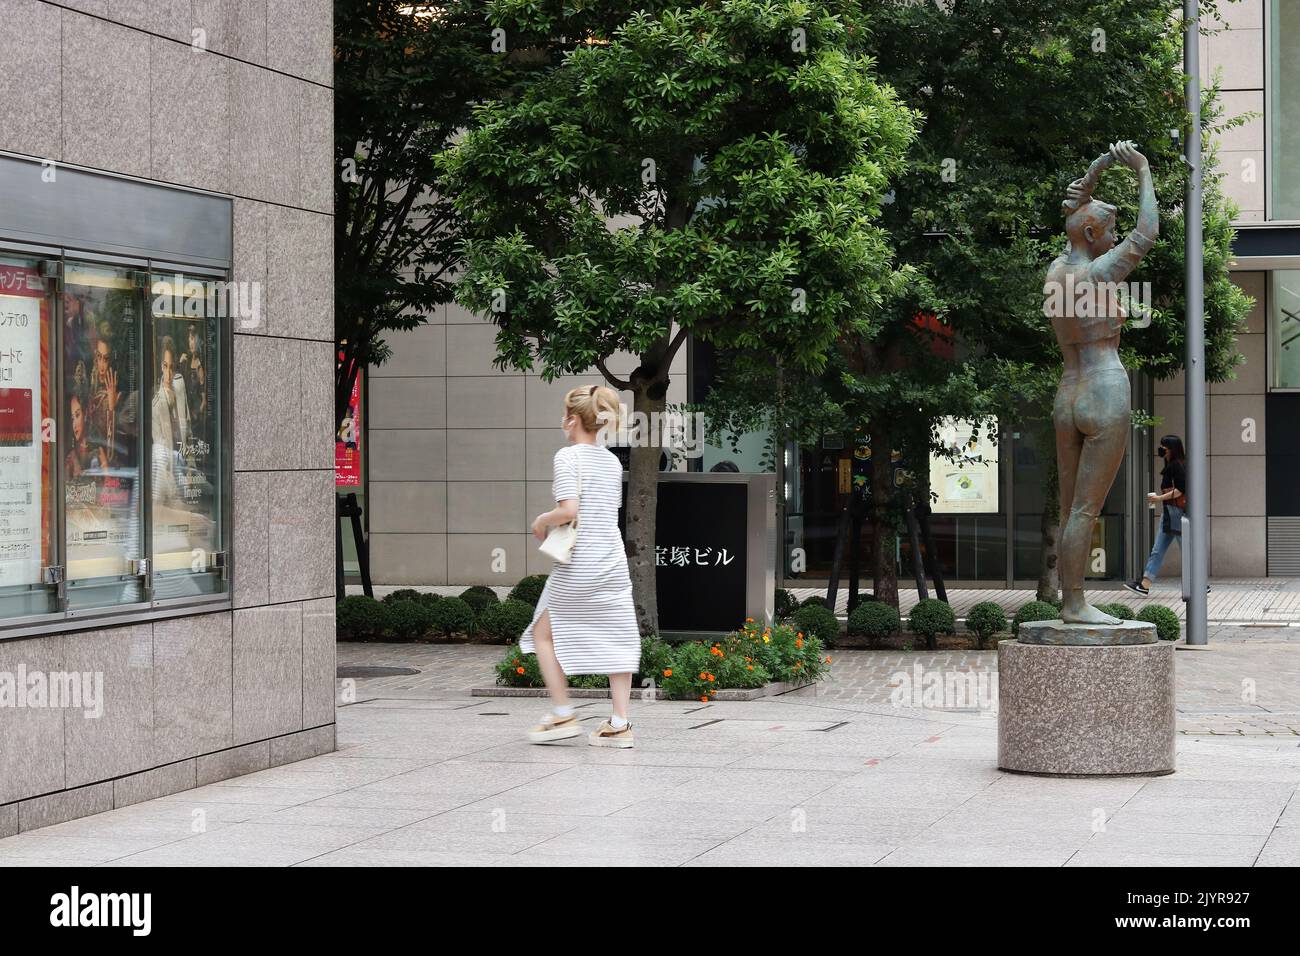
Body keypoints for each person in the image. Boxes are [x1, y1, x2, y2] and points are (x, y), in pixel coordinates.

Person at [1045, 140, 1158, 625]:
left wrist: (1096, 170)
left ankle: (1071, 602)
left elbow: (1075, 209)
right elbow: (1146, 234)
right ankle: (1075, 605)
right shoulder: (1096, 273)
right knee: (1085, 510)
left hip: (1067, 392)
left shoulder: (1055, 271)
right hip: (1104, 387)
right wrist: (1143, 171)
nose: (1114, 238)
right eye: (1107, 231)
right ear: (1092, 233)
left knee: (1071, 506)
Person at [521, 385, 640, 749]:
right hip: (612, 561)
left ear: (572, 420)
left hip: (581, 561)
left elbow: (570, 510)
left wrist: (542, 520)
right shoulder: (611, 460)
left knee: (543, 634)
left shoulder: (568, 456)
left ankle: (562, 713)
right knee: (619, 635)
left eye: (564, 416)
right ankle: (619, 723)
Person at [1127, 435, 1187, 596]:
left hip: (1177, 514)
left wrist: (1158, 498)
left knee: (1186, 550)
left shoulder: (1177, 466)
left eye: (1163, 447)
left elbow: (1181, 489)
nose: (1161, 450)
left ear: (1171, 449)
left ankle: (1201, 585)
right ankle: (1145, 585)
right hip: (1171, 513)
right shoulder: (1171, 464)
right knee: (1158, 550)